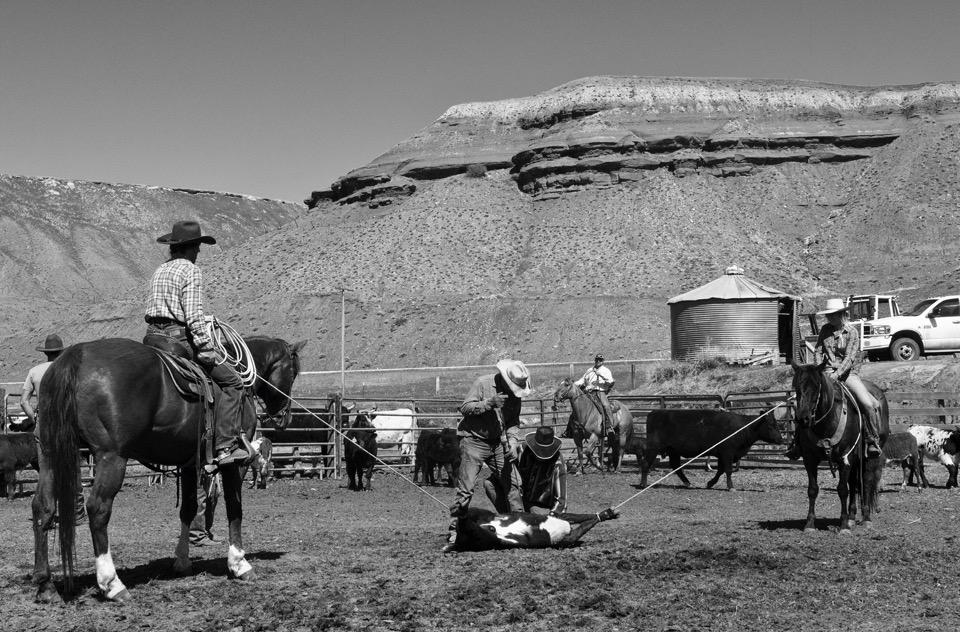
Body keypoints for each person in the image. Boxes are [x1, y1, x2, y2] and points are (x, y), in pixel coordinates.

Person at [143, 220, 249, 468]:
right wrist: (205, 346)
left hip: (152, 337)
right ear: (190, 248)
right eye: (198, 247)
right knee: (233, 383)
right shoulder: (191, 271)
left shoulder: (161, 269)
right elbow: (192, 315)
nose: (199, 253)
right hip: (176, 337)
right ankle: (225, 447)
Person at [445, 359, 531, 553]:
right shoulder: (483, 383)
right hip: (474, 440)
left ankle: (520, 524)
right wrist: (489, 403)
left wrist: (514, 441)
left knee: (513, 482)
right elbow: (465, 407)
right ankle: (455, 530)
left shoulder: (515, 396)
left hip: (498, 443)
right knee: (466, 488)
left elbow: (513, 421)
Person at [785, 298, 881, 459]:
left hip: (848, 374)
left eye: (833, 315)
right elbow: (818, 351)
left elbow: (850, 358)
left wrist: (837, 374)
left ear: (841, 314)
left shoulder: (852, 332)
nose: (830, 318)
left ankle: (872, 439)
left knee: (868, 403)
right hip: (825, 372)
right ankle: (797, 443)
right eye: (828, 315)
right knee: (802, 402)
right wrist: (817, 371)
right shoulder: (825, 330)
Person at [21, 333, 85, 520]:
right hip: (66, 423)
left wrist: (35, 417)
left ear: (45, 352)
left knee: (46, 469)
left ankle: (47, 512)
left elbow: (24, 401)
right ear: (60, 351)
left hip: (45, 424)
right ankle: (77, 513)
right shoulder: (71, 370)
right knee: (72, 468)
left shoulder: (34, 371)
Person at [513, 425, 567, 515]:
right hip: (520, 497)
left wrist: (552, 517)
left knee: (534, 511)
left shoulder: (558, 465)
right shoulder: (523, 451)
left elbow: (561, 502)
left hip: (540, 505)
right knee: (489, 485)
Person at [574, 353, 615, 433]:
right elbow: (582, 380)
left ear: (603, 361)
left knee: (606, 406)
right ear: (595, 360)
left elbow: (610, 381)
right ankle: (571, 428)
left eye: (600, 360)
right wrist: (573, 384)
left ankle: (609, 425)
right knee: (577, 406)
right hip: (589, 392)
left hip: (600, 392)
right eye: (597, 359)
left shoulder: (606, 370)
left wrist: (601, 375)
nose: (598, 361)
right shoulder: (589, 370)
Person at [189, 470, 220, 546]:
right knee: (200, 497)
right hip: (201, 466)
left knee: (213, 494)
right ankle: (197, 535)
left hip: (212, 467)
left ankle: (205, 531)